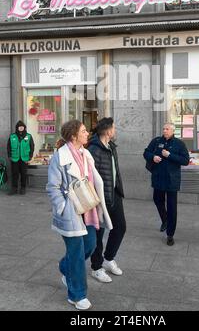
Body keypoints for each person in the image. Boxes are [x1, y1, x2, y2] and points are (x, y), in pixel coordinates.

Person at [46, 120, 112, 311]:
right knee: (76, 254)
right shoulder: (60, 156)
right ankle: (77, 295)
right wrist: (63, 206)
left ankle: (65, 267)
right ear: (74, 136)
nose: (87, 133)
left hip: (88, 209)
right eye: (83, 131)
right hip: (70, 212)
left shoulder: (85, 153)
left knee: (90, 245)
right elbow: (52, 187)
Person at [88, 117, 126, 283]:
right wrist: (96, 200)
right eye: (114, 128)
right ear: (108, 130)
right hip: (100, 198)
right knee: (98, 233)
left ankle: (108, 258)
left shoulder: (111, 146)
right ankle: (96, 268)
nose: (115, 130)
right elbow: (90, 178)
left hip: (114, 194)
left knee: (120, 227)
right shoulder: (93, 150)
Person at [143, 123, 190, 246]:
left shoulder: (179, 144)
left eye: (167, 129)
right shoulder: (156, 141)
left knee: (171, 207)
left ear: (173, 131)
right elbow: (146, 153)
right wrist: (153, 157)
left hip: (172, 180)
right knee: (157, 200)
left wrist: (170, 155)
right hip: (158, 178)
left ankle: (170, 234)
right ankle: (165, 220)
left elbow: (185, 161)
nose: (165, 130)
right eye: (163, 128)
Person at [7, 120, 34, 195]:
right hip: (14, 158)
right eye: (19, 127)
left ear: (24, 128)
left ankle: (23, 188)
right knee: (14, 174)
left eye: (22, 127)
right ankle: (14, 189)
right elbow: (8, 146)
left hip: (24, 158)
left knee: (23, 174)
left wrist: (30, 157)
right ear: (17, 128)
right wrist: (9, 156)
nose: (21, 128)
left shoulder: (28, 136)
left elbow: (32, 146)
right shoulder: (12, 136)